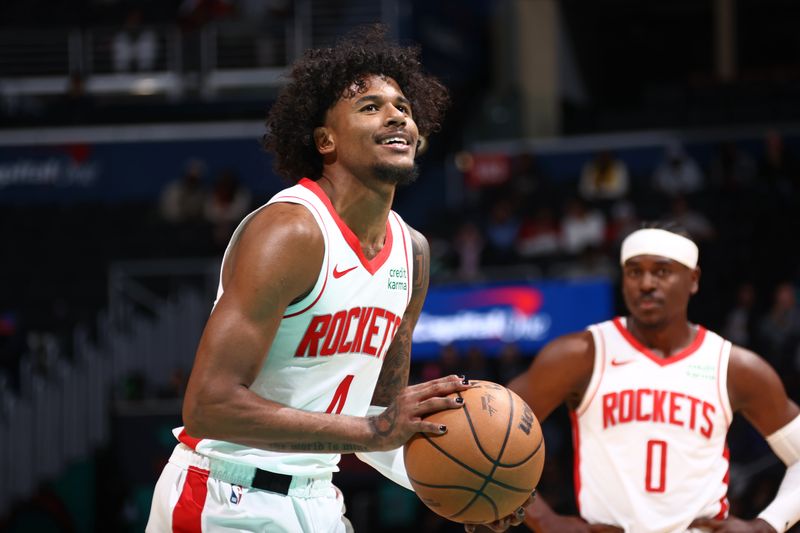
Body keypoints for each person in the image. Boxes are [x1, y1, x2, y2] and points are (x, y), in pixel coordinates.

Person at [146, 25, 529, 532]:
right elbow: (208, 405)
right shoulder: (290, 231)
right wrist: (371, 429)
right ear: (325, 139)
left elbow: (379, 418)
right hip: (224, 496)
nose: (396, 115)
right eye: (370, 106)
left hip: (320, 502)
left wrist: (474, 485)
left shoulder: (412, 253)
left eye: (403, 108)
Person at [509, 222, 800, 533]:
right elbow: (487, 433)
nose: (646, 283)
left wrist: (764, 526)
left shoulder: (733, 367)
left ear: (693, 279)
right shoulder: (581, 355)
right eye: (634, 272)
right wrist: (544, 519)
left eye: (662, 272)